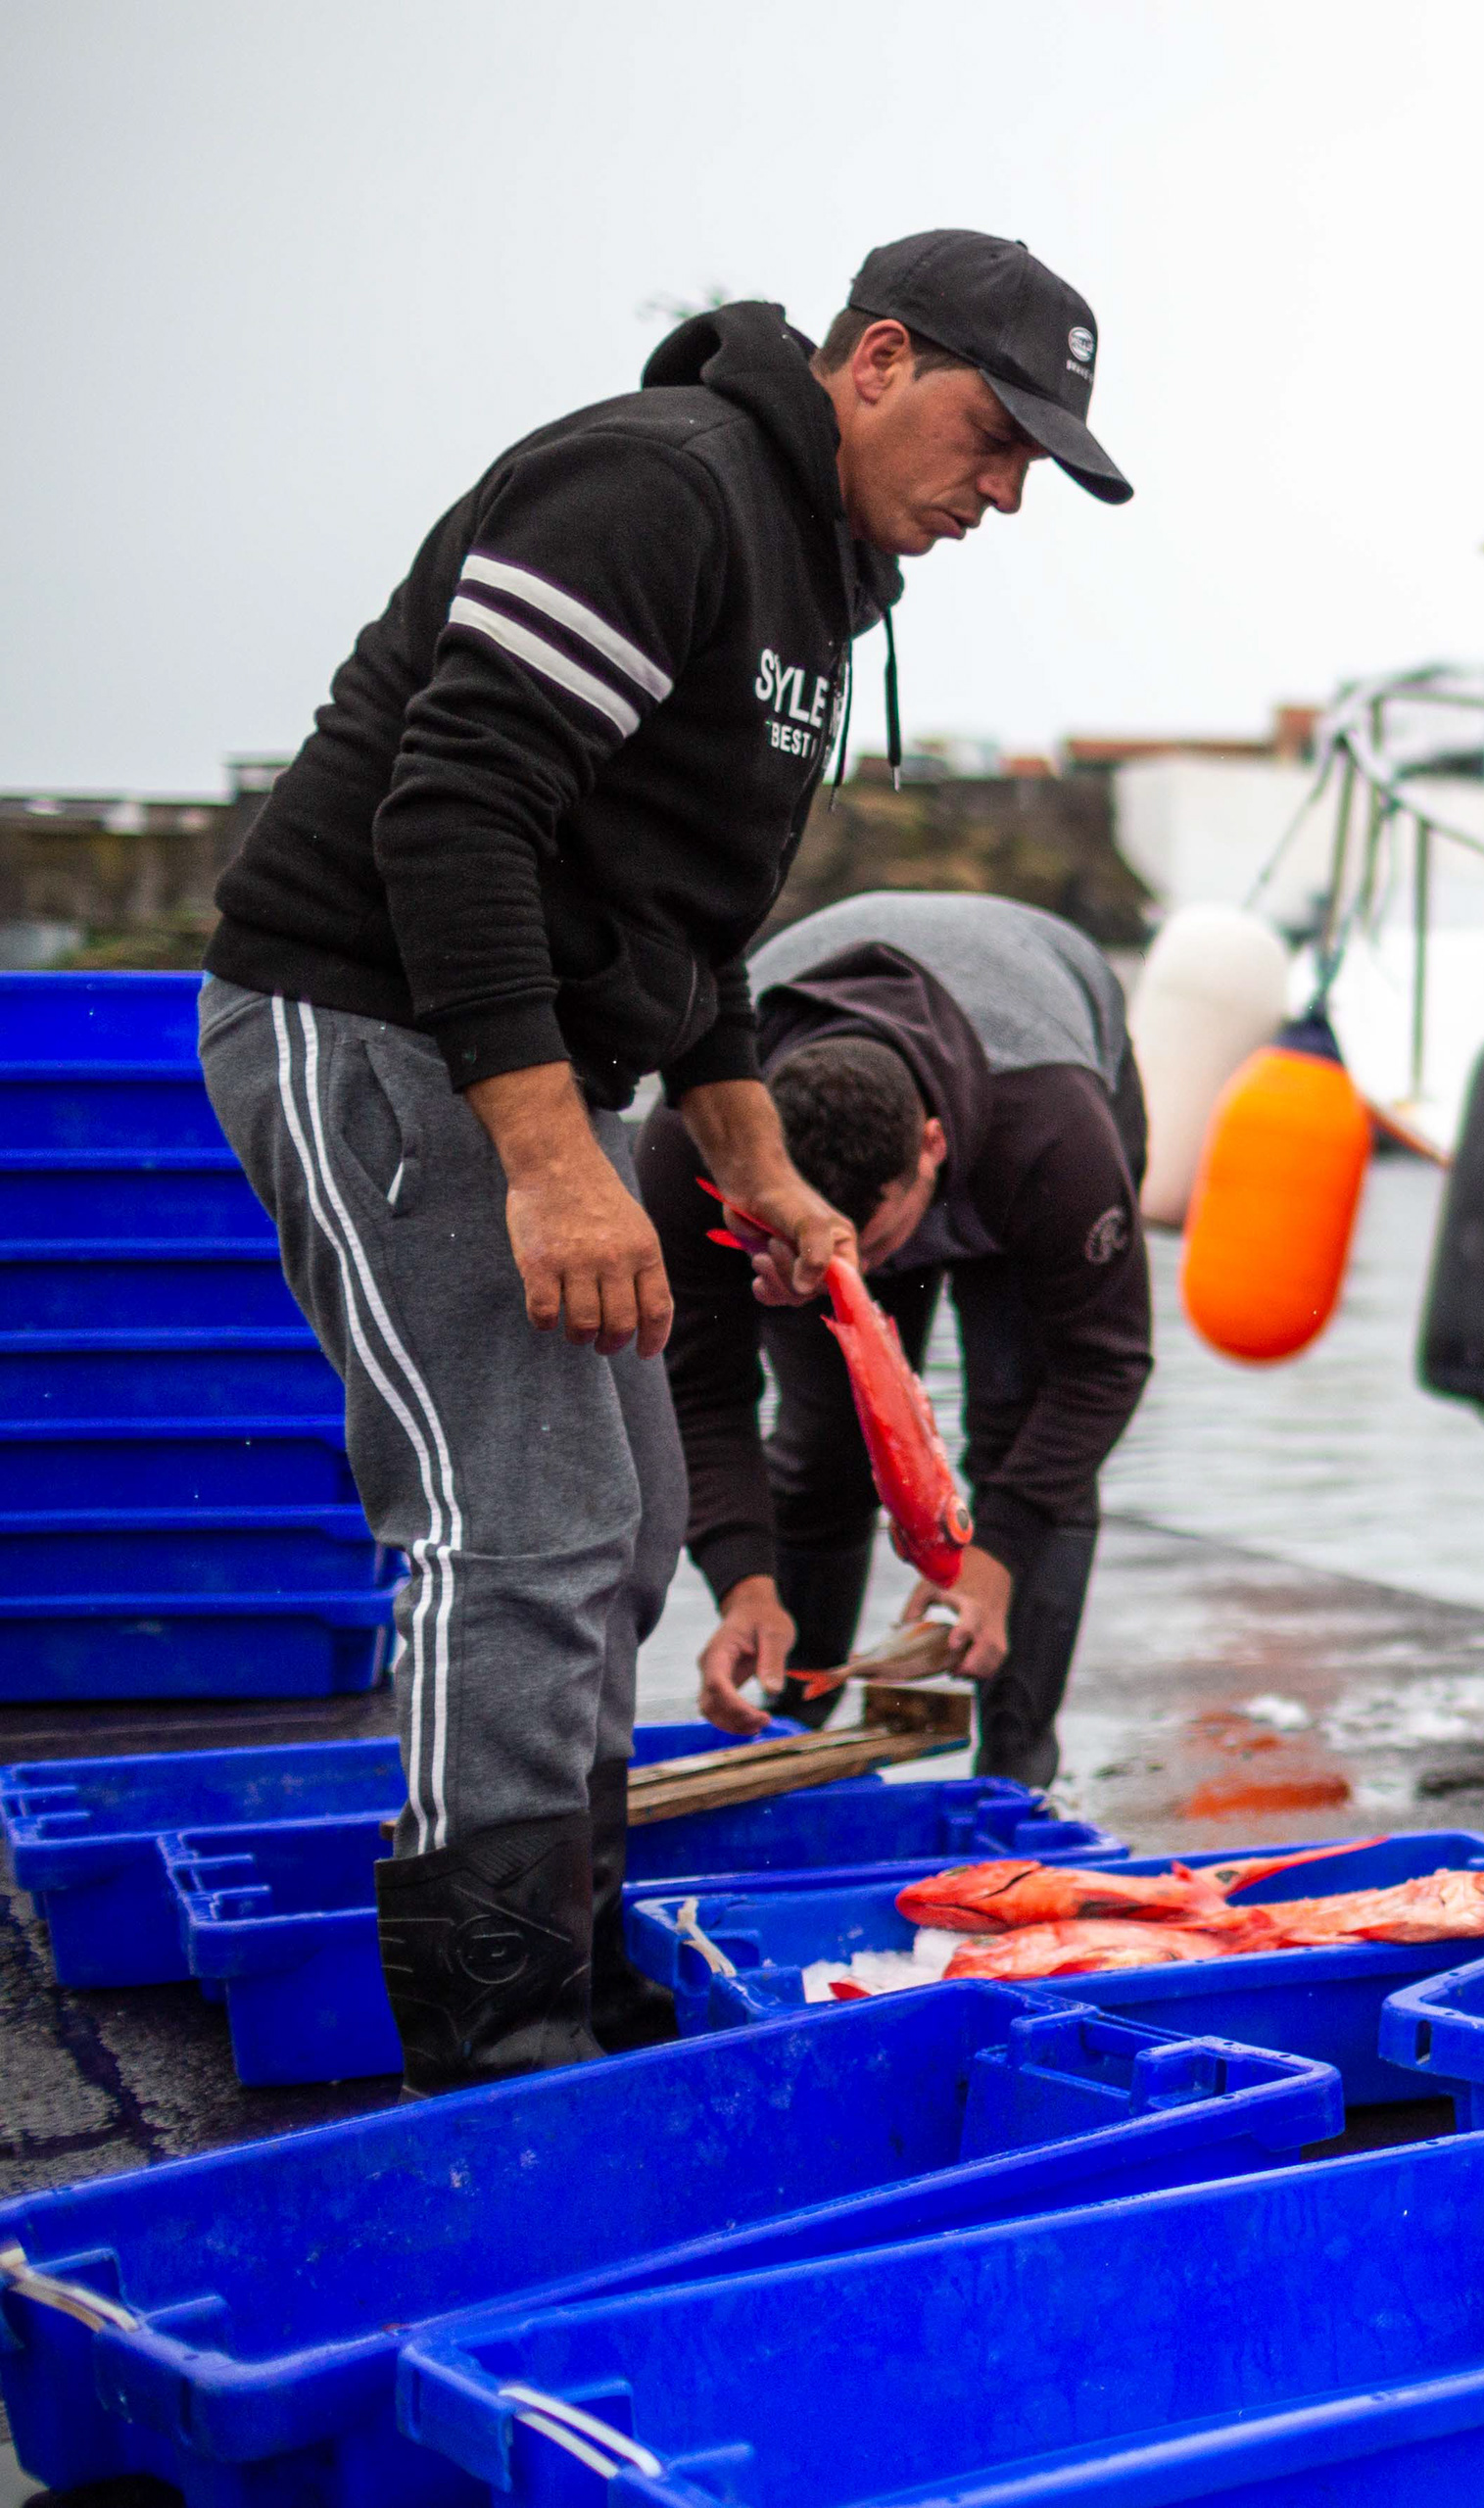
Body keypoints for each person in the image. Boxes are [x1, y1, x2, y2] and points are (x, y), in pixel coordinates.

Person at [195, 231, 1131, 2088]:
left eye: (1039, 464)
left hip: (547, 1053)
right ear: (876, 360)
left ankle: (573, 1964)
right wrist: (553, 1162)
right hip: (383, 1029)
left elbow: (687, 932)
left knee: (618, 1533)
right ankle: (496, 2046)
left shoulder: (824, 587)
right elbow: (451, 805)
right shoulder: (668, 485)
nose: (1004, 489)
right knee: (522, 1533)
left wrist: (753, 1161)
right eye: (995, 431)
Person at [644, 892, 1151, 1791]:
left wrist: (993, 1559)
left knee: (1018, 1418)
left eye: (868, 1246)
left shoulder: (1056, 1136)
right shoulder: (698, 1136)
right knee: (825, 1436)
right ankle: (788, 1726)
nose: (856, 1267)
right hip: (831, 1105)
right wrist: (741, 1580)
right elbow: (701, 1385)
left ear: (929, 1146)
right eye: (810, 1237)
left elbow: (1103, 1364)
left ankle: (1017, 1772)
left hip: (1036, 1056)